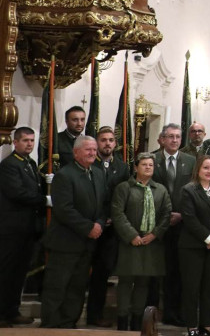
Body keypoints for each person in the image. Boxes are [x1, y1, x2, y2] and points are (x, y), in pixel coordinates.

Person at [40, 135, 107, 328]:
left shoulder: (98, 173)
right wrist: (88, 228)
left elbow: (103, 205)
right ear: (76, 152)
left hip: (87, 244)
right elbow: (64, 209)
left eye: (94, 150)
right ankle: (51, 326)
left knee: (77, 287)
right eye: (88, 150)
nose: (93, 153)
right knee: (57, 287)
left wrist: (100, 224)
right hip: (65, 242)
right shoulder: (65, 175)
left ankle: (69, 323)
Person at [111, 152, 172, 331]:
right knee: (125, 282)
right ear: (136, 167)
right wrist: (132, 235)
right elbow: (117, 213)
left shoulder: (160, 190)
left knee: (143, 283)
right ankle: (122, 322)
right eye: (144, 164)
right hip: (129, 243)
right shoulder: (124, 188)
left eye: (150, 165)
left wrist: (154, 234)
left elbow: (166, 214)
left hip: (151, 243)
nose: (147, 168)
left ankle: (137, 321)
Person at [179, 154, 210, 336]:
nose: (209, 171)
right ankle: (192, 326)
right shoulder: (188, 190)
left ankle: (207, 325)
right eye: (205, 168)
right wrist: (208, 238)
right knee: (192, 287)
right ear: (198, 169)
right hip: (193, 247)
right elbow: (190, 219)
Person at [0, 127, 45, 327]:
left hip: (27, 228)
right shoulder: (9, 165)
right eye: (25, 140)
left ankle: (12, 310)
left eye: (32, 140)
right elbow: (17, 193)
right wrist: (44, 199)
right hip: (11, 228)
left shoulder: (30, 163)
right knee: (6, 271)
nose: (29, 144)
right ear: (15, 142)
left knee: (19, 273)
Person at [151, 123, 195, 326]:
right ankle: (149, 314)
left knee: (176, 272)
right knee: (154, 271)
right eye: (170, 136)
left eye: (178, 136)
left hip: (181, 224)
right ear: (162, 139)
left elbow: (194, 192)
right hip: (155, 224)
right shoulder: (151, 159)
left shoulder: (190, 161)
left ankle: (173, 313)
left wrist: (182, 215)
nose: (175, 140)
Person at [86, 126, 130, 328]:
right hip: (90, 225)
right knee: (83, 273)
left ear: (115, 143)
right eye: (103, 140)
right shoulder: (88, 163)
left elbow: (123, 196)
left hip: (111, 229)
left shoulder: (122, 167)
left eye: (111, 140)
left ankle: (96, 315)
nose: (107, 143)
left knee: (102, 274)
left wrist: (113, 217)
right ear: (97, 143)